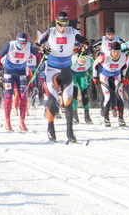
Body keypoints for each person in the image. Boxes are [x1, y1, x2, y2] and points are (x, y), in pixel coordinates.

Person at [35, 12, 91, 143]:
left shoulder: (72, 31)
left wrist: (87, 45)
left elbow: (84, 40)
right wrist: (44, 48)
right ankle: (50, 127)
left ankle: (70, 132)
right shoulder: (51, 32)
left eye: (65, 25)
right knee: (52, 100)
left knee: (68, 101)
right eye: (61, 25)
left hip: (66, 70)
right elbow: (38, 43)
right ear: (56, 23)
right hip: (52, 70)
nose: (63, 28)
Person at [0, 33, 39, 132]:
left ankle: (22, 121)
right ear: (17, 41)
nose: (22, 46)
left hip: (21, 71)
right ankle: (7, 121)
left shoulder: (29, 46)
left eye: (24, 44)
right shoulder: (10, 45)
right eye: (20, 43)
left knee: (23, 95)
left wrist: (38, 67)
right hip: (9, 72)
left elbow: (38, 55)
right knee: (9, 95)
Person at [92, 42, 129, 127]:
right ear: (111, 51)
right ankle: (106, 118)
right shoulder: (104, 56)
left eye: (118, 51)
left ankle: (121, 118)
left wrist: (123, 75)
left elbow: (126, 66)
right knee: (107, 96)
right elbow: (95, 64)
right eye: (114, 51)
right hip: (105, 76)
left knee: (120, 96)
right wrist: (94, 77)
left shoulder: (124, 57)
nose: (116, 53)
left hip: (116, 75)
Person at [71, 49, 94, 124]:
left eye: (84, 59)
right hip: (73, 73)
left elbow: (91, 70)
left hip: (82, 74)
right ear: (77, 58)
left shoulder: (90, 60)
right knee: (74, 93)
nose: (83, 61)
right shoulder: (73, 59)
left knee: (85, 93)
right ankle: (74, 115)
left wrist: (89, 79)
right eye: (81, 59)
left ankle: (87, 115)